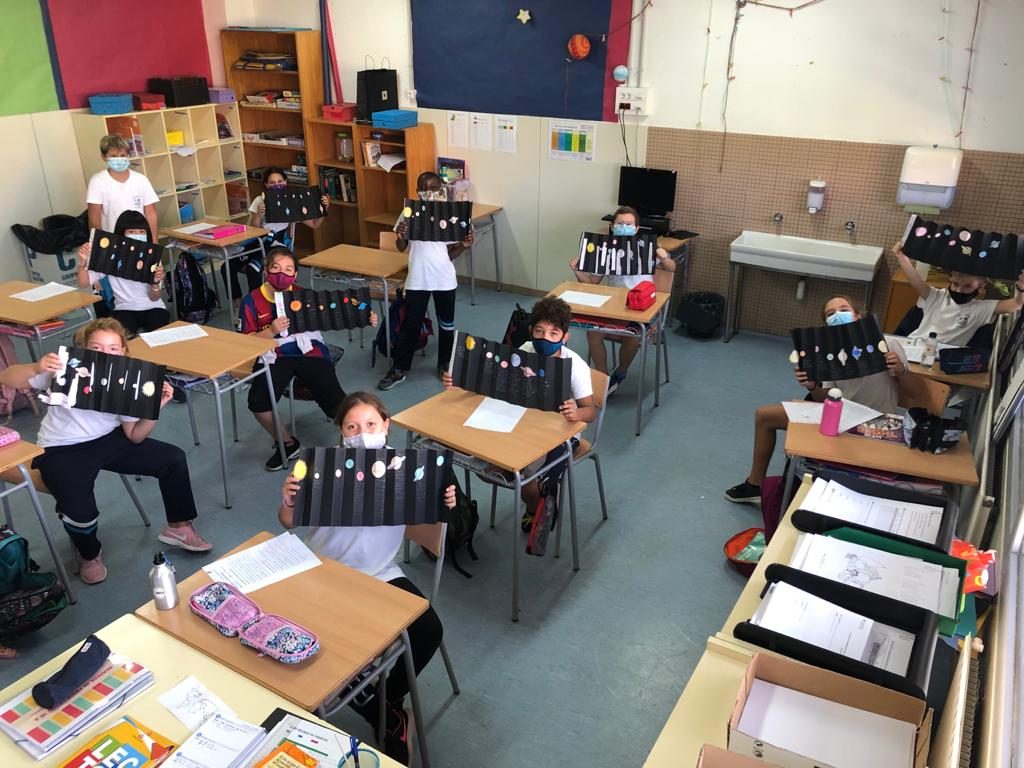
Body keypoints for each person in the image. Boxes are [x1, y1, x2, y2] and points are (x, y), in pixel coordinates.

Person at [278, 391, 452, 765]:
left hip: (378, 574)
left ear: (386, 425)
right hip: (321, 572)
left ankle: (388, 697)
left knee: (428, 630)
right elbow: (288, 521)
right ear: (341, 432)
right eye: (352, 427)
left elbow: (427, 522)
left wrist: (443, 503)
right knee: (310, 650)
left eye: (371, 424)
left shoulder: (406, 470)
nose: (362, 433)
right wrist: (289, 502)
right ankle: (382, 713)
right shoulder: (319, 466)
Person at [0, 318, 212, 584]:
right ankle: (90, 554)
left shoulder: (128, 379)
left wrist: (154, 409)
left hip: (109, 439)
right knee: (78, 505)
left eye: (113, 348)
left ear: (123, 351)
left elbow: (134, 435)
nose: (105, 354)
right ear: (84, 349)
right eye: (96, 348)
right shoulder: (64, 367)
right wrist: (35, 367)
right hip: (62, 446)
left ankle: (178, 527)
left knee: (172, 459)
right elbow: (6, 377)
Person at [724, 295, 916, 505]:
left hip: (878, 423)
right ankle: (755, 484)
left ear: (858, 315)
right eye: (830, 314)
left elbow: (912, 393)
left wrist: (900, 370)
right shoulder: (829, 352)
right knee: (765, 415)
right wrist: (812, 386)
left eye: (844, 309)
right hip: (842, 417)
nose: (838, 316)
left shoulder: (887, 344)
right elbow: (825, 399)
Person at [443, 296, 596, 519]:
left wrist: (577, 412)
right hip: (521, 421)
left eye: (553, 333)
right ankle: (534, 489)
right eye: (539, 331)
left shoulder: (575, 367)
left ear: (565, 337)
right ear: (531, 331)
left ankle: (536, 508)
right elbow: (497, 381)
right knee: (486, 467)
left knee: (526, 481)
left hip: (561, 433)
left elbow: (590, 412)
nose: (545, 338)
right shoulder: (526, 349)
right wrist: (459, 381)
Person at [238, 247, 376, 471]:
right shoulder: (251, 301)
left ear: (295, 275)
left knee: (333, 397)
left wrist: (365, 315)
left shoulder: (305, 296)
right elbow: (245, 342)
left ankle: (354, 443)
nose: (281, 274)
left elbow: (340, 310)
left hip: (309, 350)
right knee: (258, 401)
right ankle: (287, 443)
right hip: (274, 354)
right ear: (265, 271)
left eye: (288, 269)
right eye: (276, 268)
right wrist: (271, 331)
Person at [377, 172, 474, 391]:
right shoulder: (408, 212)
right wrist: (400, 237)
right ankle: (400, 368)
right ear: (417, 190)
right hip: (418, 279)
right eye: (423, 188)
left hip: (444, 280)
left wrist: (464, 246)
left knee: (446, 325)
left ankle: (444, 364)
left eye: (433, 188)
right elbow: (402, 247)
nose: (428, 192)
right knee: (411, 324)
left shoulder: (450, 215)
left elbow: (449, 253)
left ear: (441, 190)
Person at [571, 205, 675, 394]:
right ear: (612, 226)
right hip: (613, 306)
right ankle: (603, 378)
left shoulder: (646, 248)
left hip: (641, 306)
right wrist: (578, 271)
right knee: (592, 333)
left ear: (636, 228)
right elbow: (592, 283)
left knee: (633, 336)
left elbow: (671, 268)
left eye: (628, 224)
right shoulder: (606, 250)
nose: (624, 227)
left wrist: (664, 257)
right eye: (620, 224)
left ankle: (620, 373)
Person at [230, 167, 330, 307]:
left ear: (285, 182)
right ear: (266, 184)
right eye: (272, 182)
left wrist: (324, 209)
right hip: (257, 241)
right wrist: (259, 214)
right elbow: (254, 228)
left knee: (253, 270)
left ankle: (257, 305)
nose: (276, 185)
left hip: (277, 245)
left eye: (280, 181)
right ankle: (237, 303)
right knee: (228, 266)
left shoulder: (292, 201)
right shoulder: (260, 200)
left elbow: (314, 224)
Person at [892, 241, 1024, 346]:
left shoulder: (981, 309)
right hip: (913, 346)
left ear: (981, 286)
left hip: (942, 358)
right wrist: (901, 257)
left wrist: (1022, 288)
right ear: (950, 279)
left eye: (967, 286)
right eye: (955, 284)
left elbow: (1017, 304)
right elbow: (915, 280)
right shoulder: (935, 297)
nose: (959, 290)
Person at [76, 210, 169, 335]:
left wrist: (155, 283)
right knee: (122, 338)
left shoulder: (152, 256)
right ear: (121, 233)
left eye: (142, 232)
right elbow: (83, 283)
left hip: (154, 307)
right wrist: (83, 262)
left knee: (160, 336)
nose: (137, 235)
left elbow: (154, 297)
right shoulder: (110, 256)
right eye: (131, 231)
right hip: (124, 308)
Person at [86, 134, 158, 238]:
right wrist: (99, 242)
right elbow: (94, 219)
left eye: (123, 155)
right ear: (104, 157)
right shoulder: (97, 181)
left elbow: (151, 213)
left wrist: (154, 240)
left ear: (128, 155)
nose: (119, 159)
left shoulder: (141, 179)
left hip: (140, 238)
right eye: (114, 156)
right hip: (112, 239)